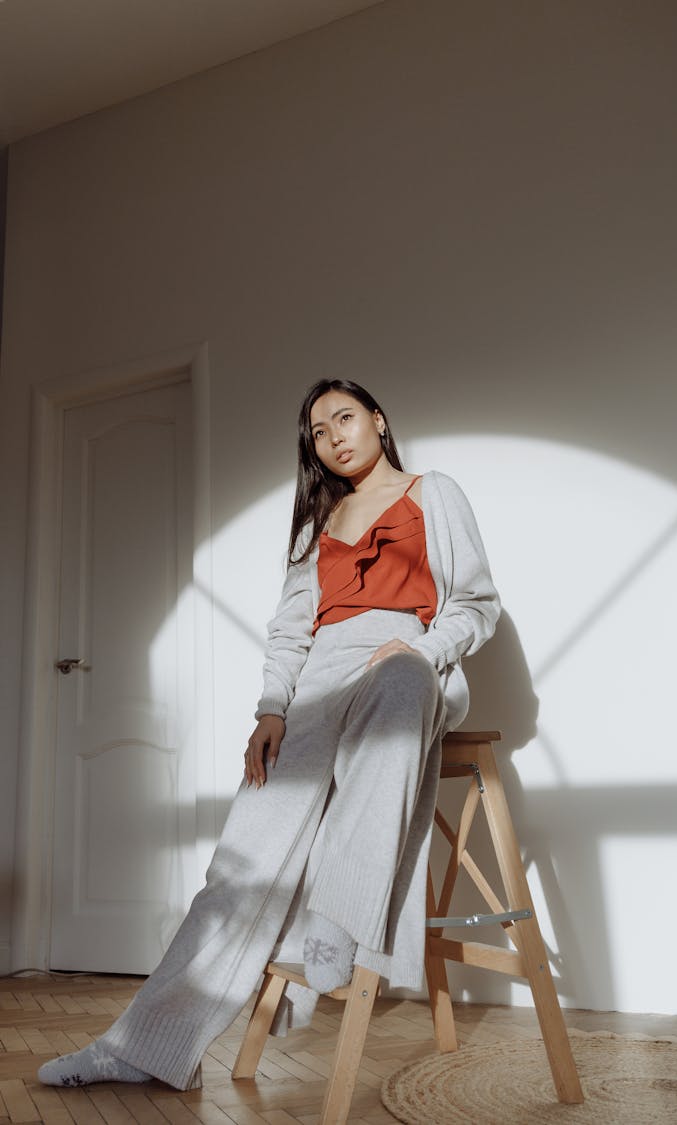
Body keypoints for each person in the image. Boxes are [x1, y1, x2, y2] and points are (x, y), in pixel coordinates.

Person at [39, 378, 500, 1091]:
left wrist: (425, 651)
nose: (334, 435)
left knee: (403, 686)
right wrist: (270, 708)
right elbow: (291, 630)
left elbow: (474, 602)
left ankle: (336, 917)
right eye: (318, 431)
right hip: (321, 676)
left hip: (406, 661)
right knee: (241, 865)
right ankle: (140, 1045)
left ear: (378, 419)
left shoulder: (433, 491)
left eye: (345, 417)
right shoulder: (319, 523)